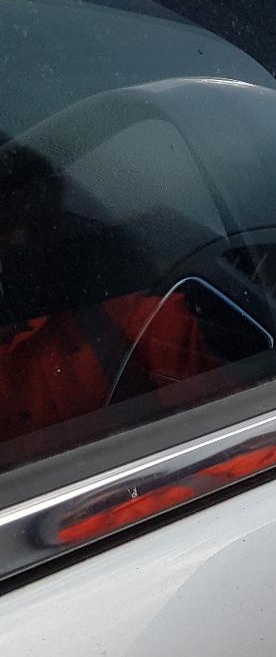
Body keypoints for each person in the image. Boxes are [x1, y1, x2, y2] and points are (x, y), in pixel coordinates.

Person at [0, 142, 223, 453]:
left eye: (37, 223)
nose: (22, 241)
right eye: (6, 225)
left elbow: (225, 446)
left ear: (62, 224)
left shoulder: (146, 319)